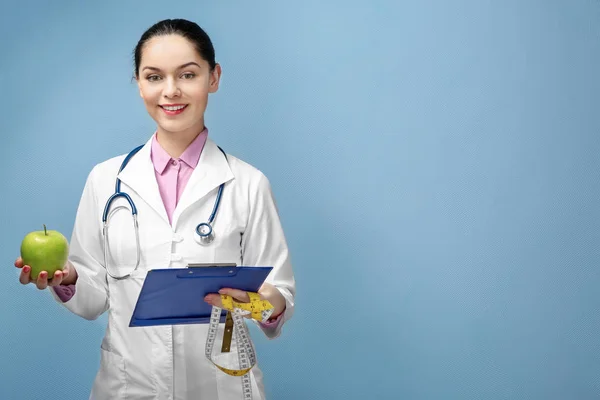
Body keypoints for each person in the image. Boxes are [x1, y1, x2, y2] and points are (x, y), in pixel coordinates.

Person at [14, 18, 295, 400]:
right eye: (154, 77)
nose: (171, 91)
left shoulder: (248, 184)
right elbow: (93, 298)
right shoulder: (105, 180)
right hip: (129, 387)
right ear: (138, 83)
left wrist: (262, 302)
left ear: (213, 78)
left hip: (220, 387)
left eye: (188, 75)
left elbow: (278, 297)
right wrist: (69, 278)